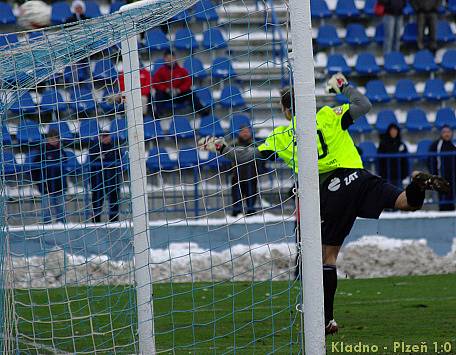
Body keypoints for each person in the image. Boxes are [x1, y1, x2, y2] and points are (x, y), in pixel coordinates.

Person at [199, 73, 450, 335]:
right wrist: (343, 87)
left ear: (286, 111)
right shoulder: (328, 115)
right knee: (406, 202)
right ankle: (418, 184)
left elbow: (246, 156)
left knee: (326, 257)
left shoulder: (282, 134)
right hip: (360, 176)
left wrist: (221, 147)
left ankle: (326, 320)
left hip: (332, 188)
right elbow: (364, 105)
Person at [152, 50, 209, 117]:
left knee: (190, 92)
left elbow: (188, 82)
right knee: (158, 93)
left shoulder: (182, 70)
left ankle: (201, 111)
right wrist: (166, 89)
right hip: (167, 95)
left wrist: (179, 90)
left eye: (171, 58)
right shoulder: (161, 71)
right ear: (164, 59)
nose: (170, 60)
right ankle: (158, 114)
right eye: (167, 58)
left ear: (175, 58)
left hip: (179, 95)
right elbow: (155, 82)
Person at [32, 129, 68, 224]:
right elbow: (34, 168)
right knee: (46, 211)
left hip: (60, 186)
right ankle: (47, 227)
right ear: (47, 139)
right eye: (51, 138)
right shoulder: (42, 152)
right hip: (46, 187)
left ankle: (61, 226)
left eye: (56, 138)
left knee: (61, 210)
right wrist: (38, 183)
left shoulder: (62, 152)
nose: (53, 140)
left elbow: (66, 166)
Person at [88, 130, 123, 222]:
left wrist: (104, 158)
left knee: (114, 199)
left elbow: (118, 159)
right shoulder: (95, 147)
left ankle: (114, 220)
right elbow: (93, 160)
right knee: (97, 199)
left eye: (107, 136)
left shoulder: (114, 147)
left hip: (112, 178)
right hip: (98, 179)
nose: (105, 138)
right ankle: (96, 220)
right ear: (99, 137)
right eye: (103, 136)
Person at [231, 126, 259, 216]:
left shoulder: (255, 145)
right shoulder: (233, 145)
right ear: (239, 133)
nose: (245, 133)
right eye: (243, 131)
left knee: (251, 196)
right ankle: (236, 212)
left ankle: (251, 211)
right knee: (236, 197)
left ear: (250, 133)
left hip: (251, 176)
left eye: (247, 131)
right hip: (237, 176)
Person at [428, 125, 456, 211]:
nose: (447, 134)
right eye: (444, 132)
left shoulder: (453, 145)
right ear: (441, 133)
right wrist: (435, 175)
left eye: (448, 132)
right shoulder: (436, 145)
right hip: (441, 177)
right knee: (443, 200)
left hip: (453, 177)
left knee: (452, 200)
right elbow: (431, 160)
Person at [377, 123, 409, 187]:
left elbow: (405, 160)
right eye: (392, 130)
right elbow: (380, 159)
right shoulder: (383, 144)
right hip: (386, 175)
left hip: (398, 175)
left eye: (395, 130)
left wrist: (404, 173)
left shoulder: (401, 144)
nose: (393, 132)